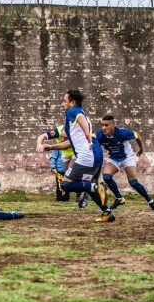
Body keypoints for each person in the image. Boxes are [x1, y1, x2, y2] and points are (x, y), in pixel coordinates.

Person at [41, 91, 114, 223]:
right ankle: (107, 212)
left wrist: (87, 134)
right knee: (87, 185)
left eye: (65, 101)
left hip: (86, 156)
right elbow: (70, 143)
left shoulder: (73, 111)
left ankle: (95, 187)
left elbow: (80, 117)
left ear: (72, 102)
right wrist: (51, 147)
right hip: (96, 155)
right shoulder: (77, 118)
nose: (63, 103)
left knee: (65, 184)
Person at [96, 115, 154, 211]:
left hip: (127, 158)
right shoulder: (100, 135)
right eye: (102, 125)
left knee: (133, 183)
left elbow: (137, 135)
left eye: (106, 125)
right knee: (106, 177)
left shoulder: (122, 133)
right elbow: (94, 146)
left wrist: (141, 148)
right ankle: (119, 198)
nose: (104, 128)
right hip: (113, 158)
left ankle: (150, 201)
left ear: (113, 125)